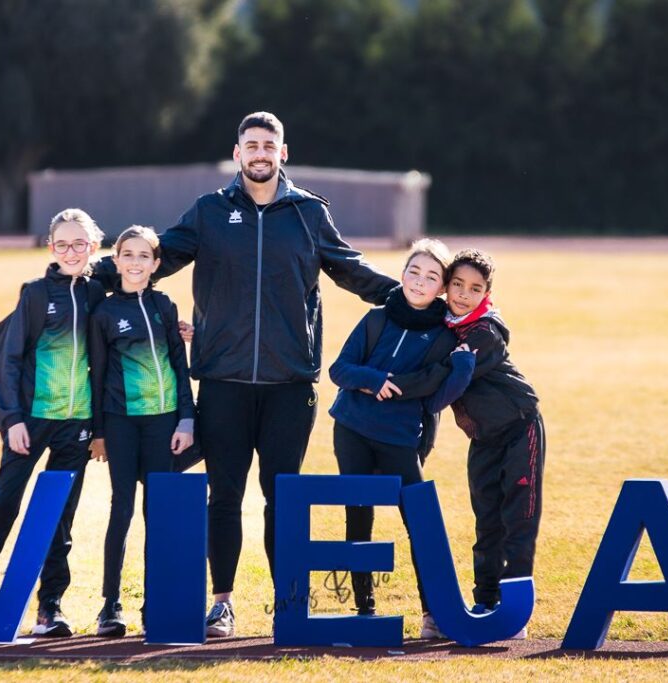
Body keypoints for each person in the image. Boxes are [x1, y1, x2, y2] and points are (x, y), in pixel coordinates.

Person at [143, 111, 397, 637]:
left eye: (269, 144)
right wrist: (94, 274)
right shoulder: (209, 212)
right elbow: (154, 259)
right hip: (223, 382)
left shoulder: (308, 214)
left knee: (283, 495)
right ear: (237, 153)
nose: (259, 153)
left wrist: (417, 297)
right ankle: (222, 603)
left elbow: (352, 271)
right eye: (250, 144)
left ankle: (289, 604)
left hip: (289, 386)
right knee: (226, 494)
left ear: (283, 152)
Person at [0, 208, 105, 638]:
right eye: (63, 244)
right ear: (51, 248)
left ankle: (50, 609)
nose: (72, 251)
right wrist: (11, 418)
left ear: (94, 247)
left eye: (81, 244)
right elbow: (9, 360)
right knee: (4, 507)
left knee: (59, 518)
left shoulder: (99, 293)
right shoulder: (34, 295)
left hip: (77, 425)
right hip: (29, 423)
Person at [388, 248, 543, 639]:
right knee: (486, 520)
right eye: (457, 284)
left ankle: (514, 610)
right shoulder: (445, 326)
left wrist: (393, 387)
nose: (462, 294)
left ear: (486, 294)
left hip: (520, 427)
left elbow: (442, 376)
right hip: (483, 438)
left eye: (474, 289)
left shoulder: (484, 333)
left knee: (518, 521)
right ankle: (485, 600)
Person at [328, 239, 476, 640]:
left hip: (399, 438)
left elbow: (430, 387)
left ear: (441, 288)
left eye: (431, 277)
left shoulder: (445, 336)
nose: (419, 281)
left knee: (419, 518)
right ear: (403, 273)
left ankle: (434, 613)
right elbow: (339, 370)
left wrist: (393, 385)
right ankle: (363, 611)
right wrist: (374, 381)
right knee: (358, 516)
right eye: (414, 272)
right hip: (352, 430)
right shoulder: (376, 319)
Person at [87, 226, 195, 637]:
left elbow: (179, 368)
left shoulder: (165, 307)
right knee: (122, 509)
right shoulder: (105, 314)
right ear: (115, 262)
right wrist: (98, 432)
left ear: (155, 265)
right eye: (127, 255)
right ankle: (110, 606)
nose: (135, 263)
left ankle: (158, 602)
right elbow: (97, 375)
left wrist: (186, 418)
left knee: (159, 513)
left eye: (143, 256)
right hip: (120, 422)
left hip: (163, 422)